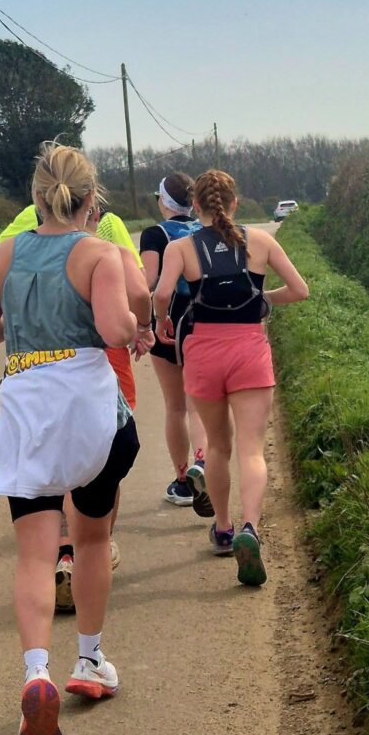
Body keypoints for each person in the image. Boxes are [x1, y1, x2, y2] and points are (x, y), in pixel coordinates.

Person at [0, 143, 153, 735]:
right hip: (90, 416)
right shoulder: (98, 253)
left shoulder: (4, 255)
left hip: (28, 412)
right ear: (90, 200)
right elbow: (112, 329)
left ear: (37, 198)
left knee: (35, 556)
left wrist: (20, 328)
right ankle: (90, 661)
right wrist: (132, 324)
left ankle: (35, 673)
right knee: (93, 536)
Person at [153, 169, 308, 587]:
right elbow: (300, 290)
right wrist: (262, 299)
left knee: (218, 448)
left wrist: (164, 322)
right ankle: (250, 528)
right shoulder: (260, 241)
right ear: (235, 204)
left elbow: (163, 293)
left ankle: (222, 527)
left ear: (196, 207)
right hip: (248, 350)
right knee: (252, 449)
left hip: (203, 351)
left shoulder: (181, 247)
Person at [0, 195, 151, 609]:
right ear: (92, 205)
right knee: (101, 456)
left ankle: (63, 550)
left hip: (34, 361)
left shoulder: (21, 227)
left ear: (39, 199)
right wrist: (145, 326)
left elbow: (0, 280)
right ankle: (94, 546)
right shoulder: (109, 229)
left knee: (53, 462)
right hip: (98, 355)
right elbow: (137, 288)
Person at [139, 173, 211, 513]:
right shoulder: (204, 230)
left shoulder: (155, 234)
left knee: (175, 407)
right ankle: (203, 463)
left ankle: (182, 482)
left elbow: (149, 283)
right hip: (204, 323)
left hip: (168, 324)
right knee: (197, 405)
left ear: (164, 201)